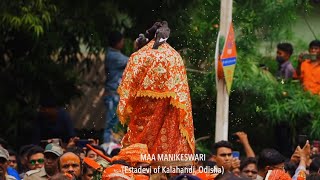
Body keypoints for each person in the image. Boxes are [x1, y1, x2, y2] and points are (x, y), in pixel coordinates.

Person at [117, 21, 195, 166]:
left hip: (140, 127)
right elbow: (181, 98)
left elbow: (128, 93)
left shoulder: (138, 57)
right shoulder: (174, 57)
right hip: (169, 136)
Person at [103, 31, 129, 145]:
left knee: (116, 123)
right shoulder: (114, 56)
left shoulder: (111, 54)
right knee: (111, 123)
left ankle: (114, 146)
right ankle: (108, 148)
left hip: (114, 94)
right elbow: (133, 61)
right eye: (122, 41)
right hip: (113, 95)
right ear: (118, 42)